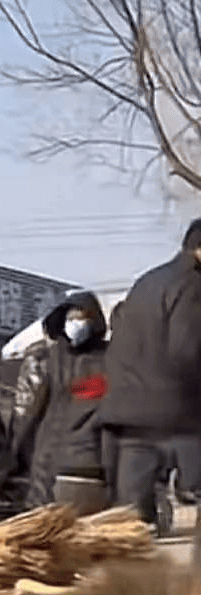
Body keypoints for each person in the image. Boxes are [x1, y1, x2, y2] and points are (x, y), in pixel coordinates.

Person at [99, 221, 201, 527]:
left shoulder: (147, 281)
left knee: (130, 514)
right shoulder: (193, 285)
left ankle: (129, 568)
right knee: (194, 494)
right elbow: (187, 352)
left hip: (129, 409)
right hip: (177, 412)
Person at [12, 292, 111, 515]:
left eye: (81, 317)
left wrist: (11, 463)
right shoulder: (113, 358)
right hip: (100, 470)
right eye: (72, 318)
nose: (76, 324)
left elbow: (26, 417)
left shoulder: (45, 359)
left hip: (52, 471)